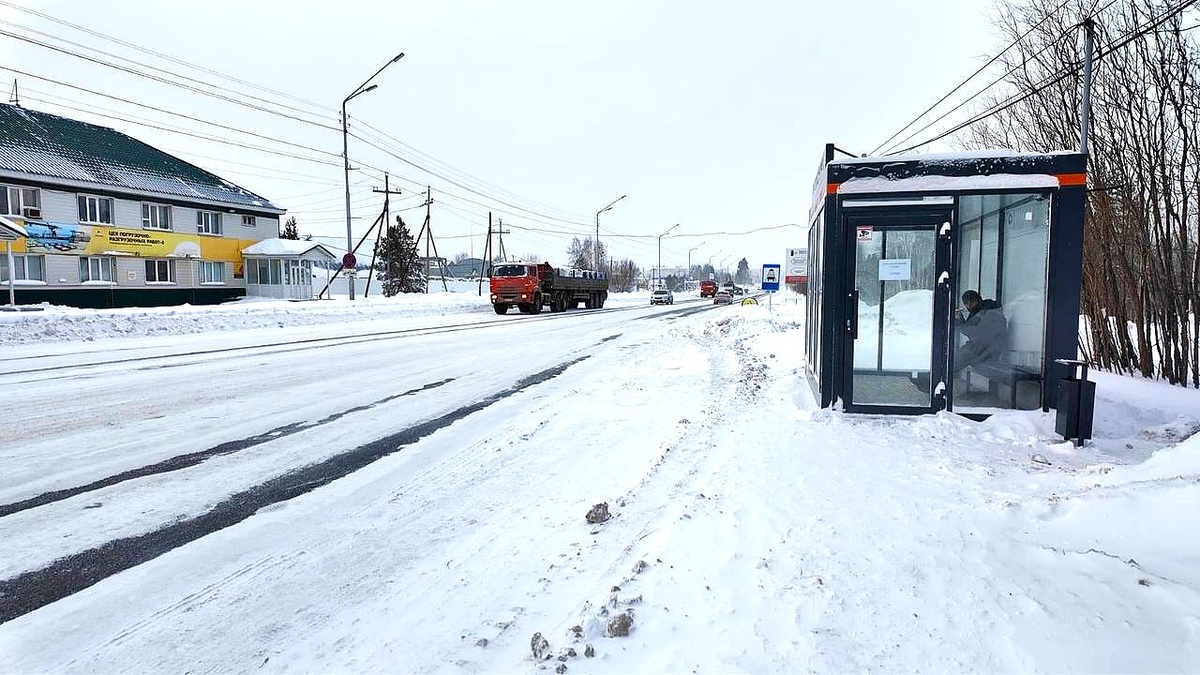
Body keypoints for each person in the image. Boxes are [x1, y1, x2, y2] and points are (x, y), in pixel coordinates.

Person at [955, 290, 1008, 372]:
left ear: (979, 300)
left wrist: (960, 322)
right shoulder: (978, 313)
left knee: (954, 361)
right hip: (980, 349)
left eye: (972, 302)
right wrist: (960, 320)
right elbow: (971, 331)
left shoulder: (988, 313)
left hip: (985, 351)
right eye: (966, 304)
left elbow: (976, 333)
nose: (969, 306)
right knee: (953, 358)